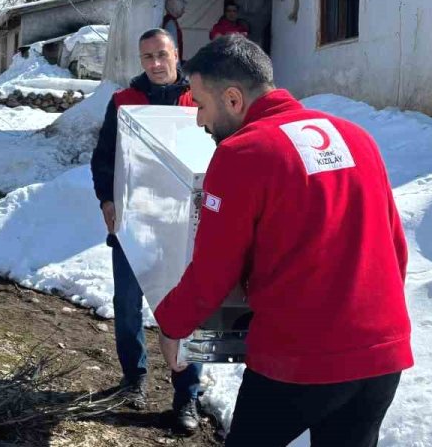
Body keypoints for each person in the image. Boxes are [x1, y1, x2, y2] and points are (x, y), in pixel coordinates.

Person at [154, 35, 412, 447]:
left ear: (233, 99)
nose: (199, 120)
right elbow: (396, 248)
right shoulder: (356, 137)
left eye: (201, 105)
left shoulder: (242, 154)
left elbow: (215, 270)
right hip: (381, 355)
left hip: (301, 360)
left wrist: (171, 325)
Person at [89, 28, 204, 434]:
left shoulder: (198, 101)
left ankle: (187, 394)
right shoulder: (124, 102)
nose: (155, 64)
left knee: (188, 310)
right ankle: (133, 378)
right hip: (134, 224)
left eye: (161, 55)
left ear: (177, 55)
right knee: (127, 305)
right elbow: (104, 159)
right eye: (147, 57)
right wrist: (106, 200)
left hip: (184, 226)